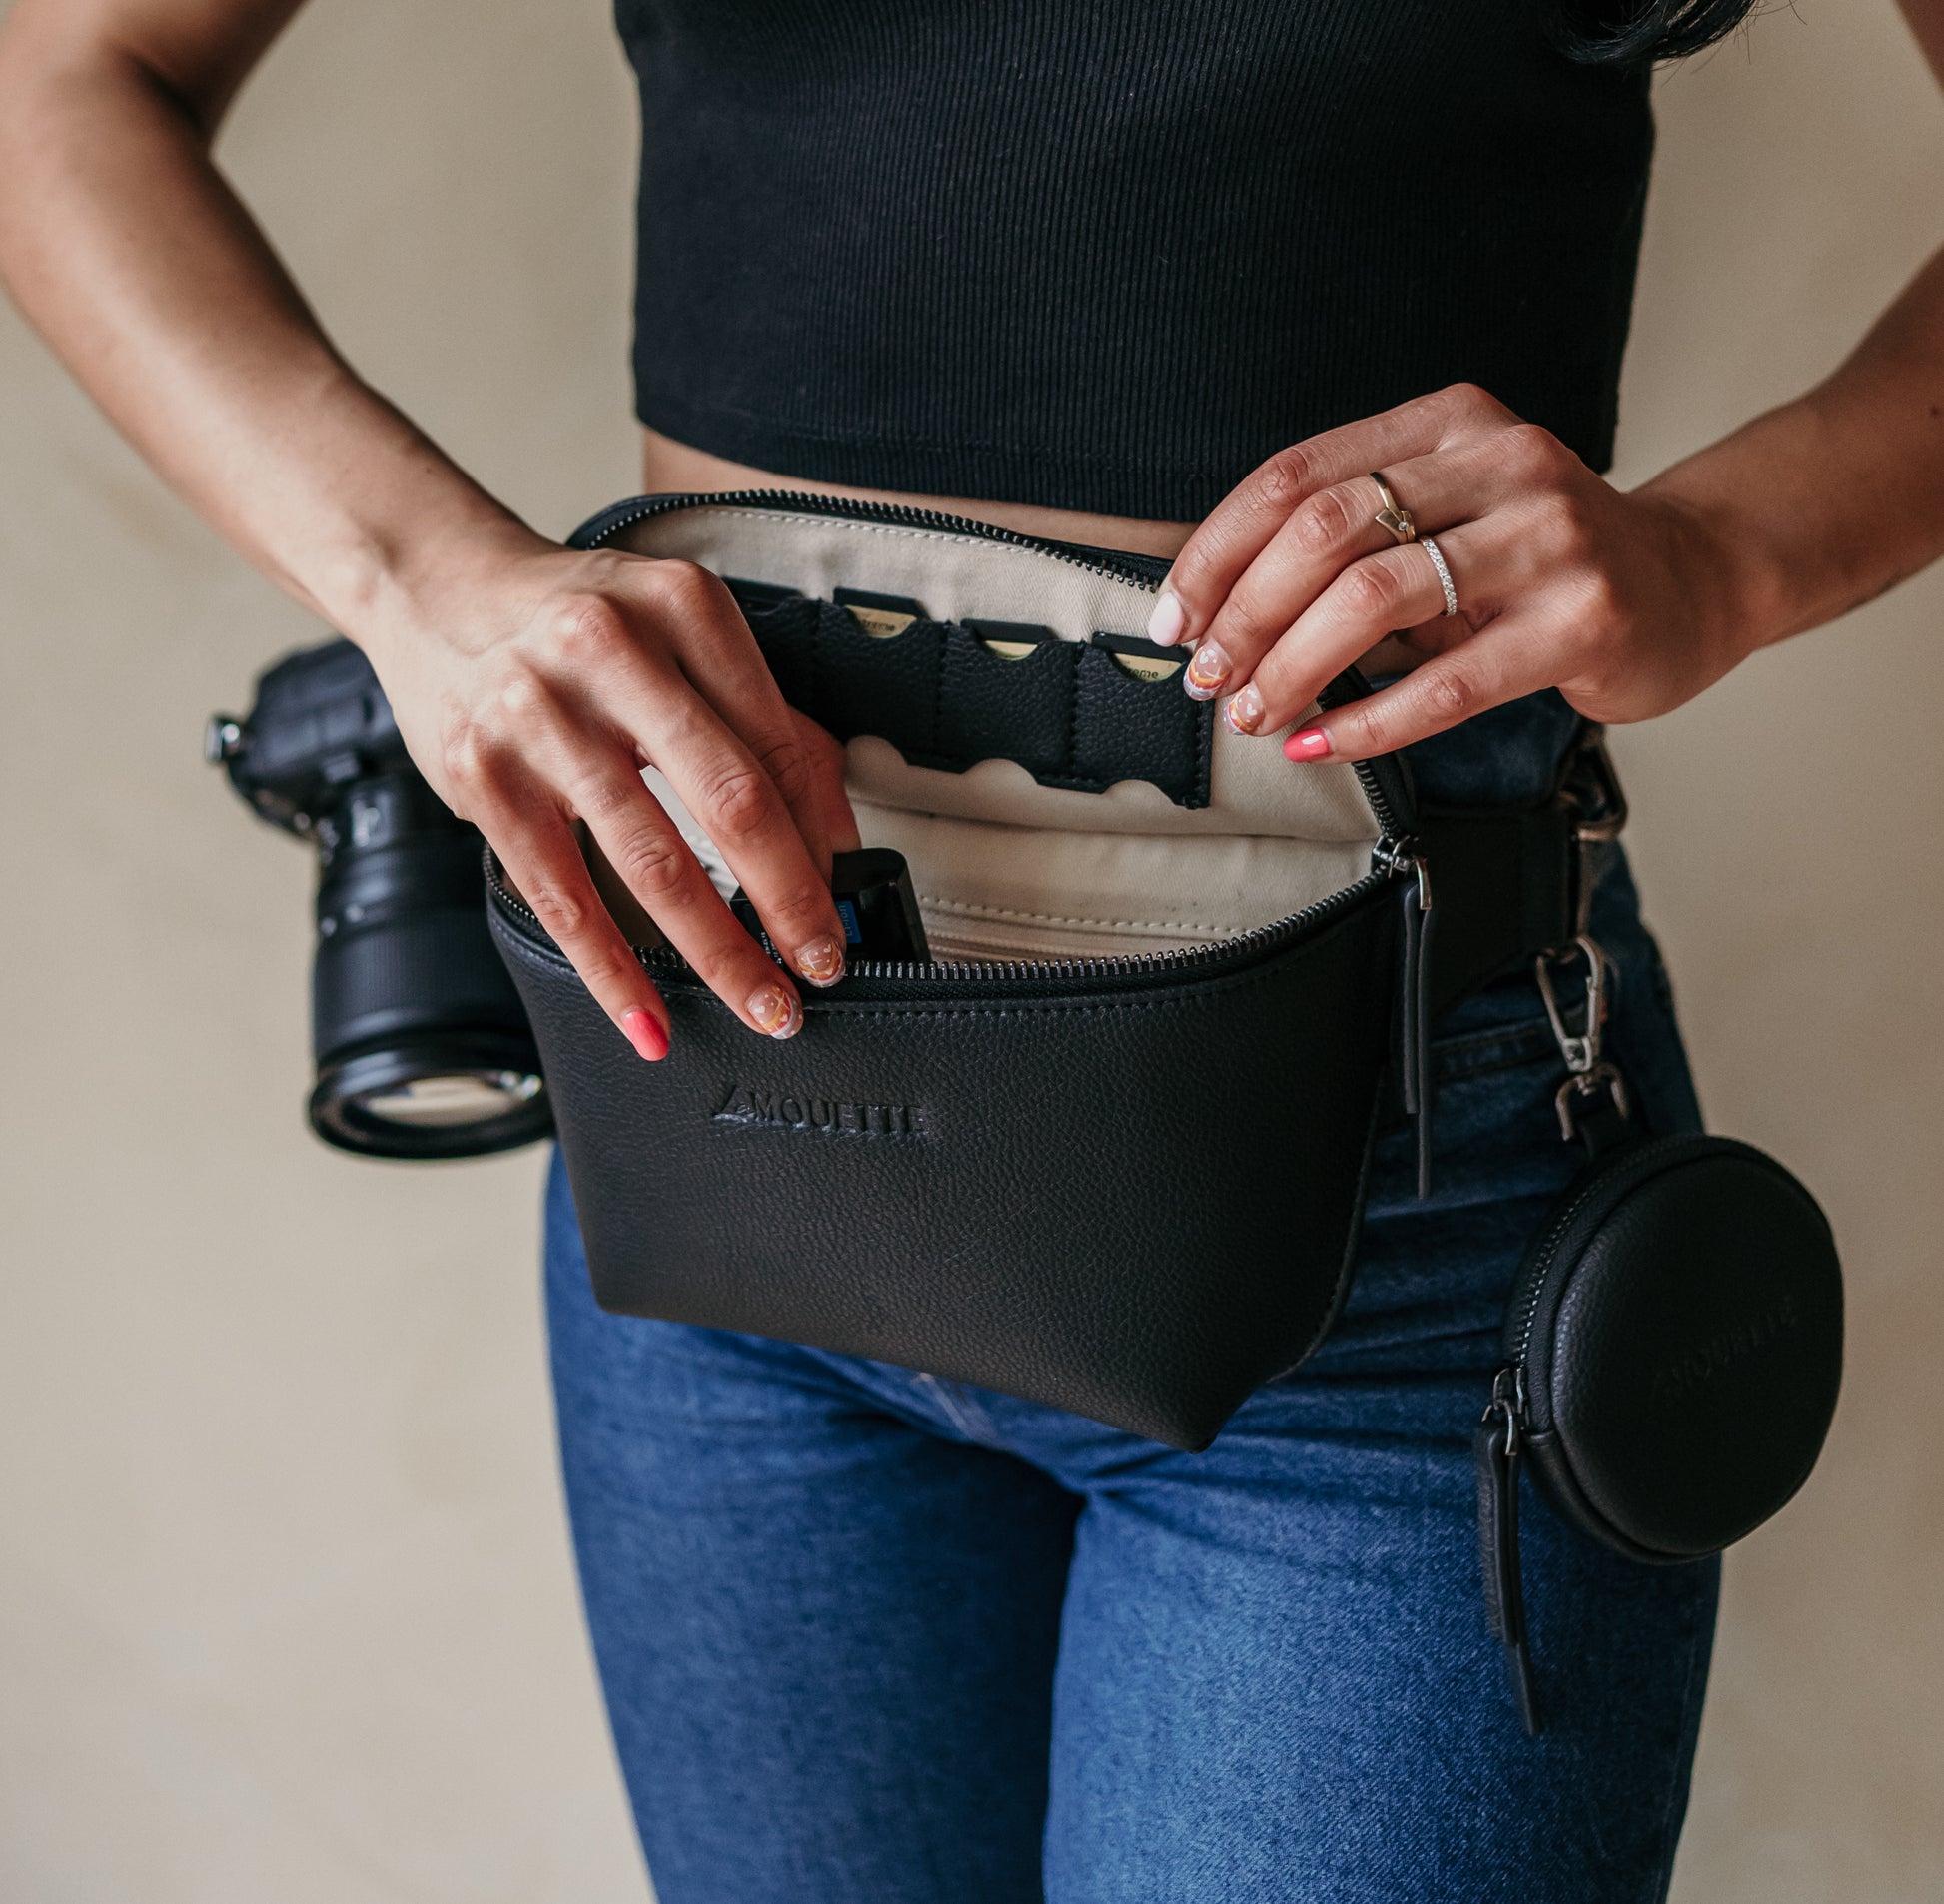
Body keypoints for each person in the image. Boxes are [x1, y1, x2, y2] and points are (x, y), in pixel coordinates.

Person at [2, 2, 1940, 1897]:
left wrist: (1720, 554)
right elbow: (66, 73)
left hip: (1398, 1225)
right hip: (726, 1143)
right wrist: (424, 584)